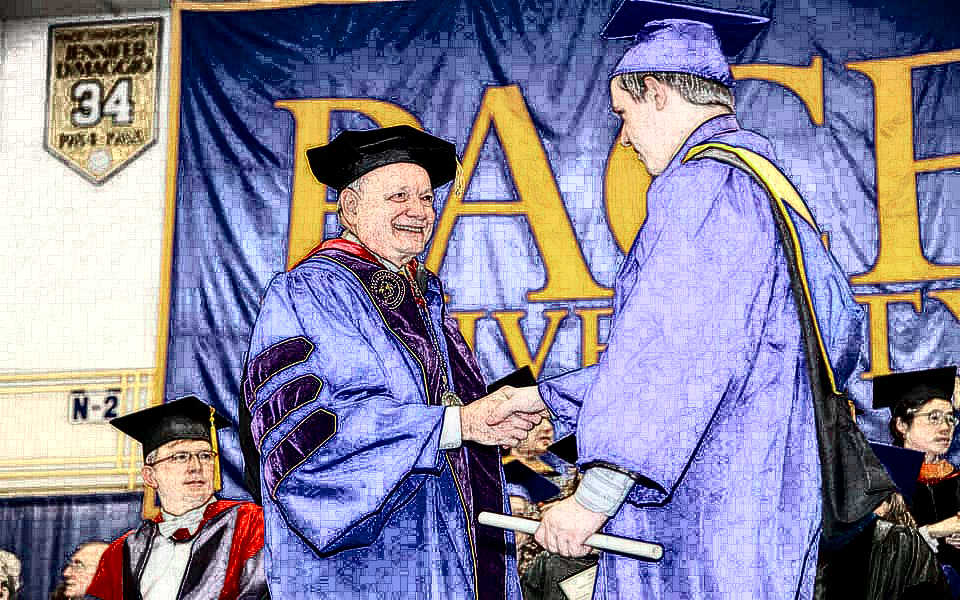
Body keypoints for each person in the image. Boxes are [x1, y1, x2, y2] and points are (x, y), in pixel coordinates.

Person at [502, 1, 892, 597]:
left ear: (658, 94)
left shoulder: (703, 186)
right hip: (765, 505)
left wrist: (595, 496)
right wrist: (545, 399)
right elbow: (781, 350)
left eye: (623, 113)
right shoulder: (767, 186)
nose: (624, 138)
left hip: (706, 517)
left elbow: (676, 355)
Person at [241, 124, 539, 599]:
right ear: (350, 207)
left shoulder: (424, 298)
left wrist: (489, 420)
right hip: (369, 570)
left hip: (447, 559)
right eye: (399, 196)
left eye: (426, 198)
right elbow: (321, 431)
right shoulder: (314, 290)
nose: (419, 211)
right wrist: (457, 424)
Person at [85, 396, 267, 600]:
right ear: (150, 476)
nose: (196, 467)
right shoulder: (122, 552)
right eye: (180, 457)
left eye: (205, 456)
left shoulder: (250, 524)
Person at [879, 366, 960, 584]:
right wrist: (933, 531)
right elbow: (875, 553)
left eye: (950, 419)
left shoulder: (955, 478)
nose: (945, 427)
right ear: (902, 425)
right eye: (933, 418)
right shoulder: (884, 483)